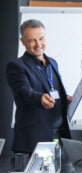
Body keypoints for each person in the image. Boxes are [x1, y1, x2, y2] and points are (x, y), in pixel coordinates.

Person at [6, 19, 71, 154]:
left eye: (41, 38)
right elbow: (24, 91)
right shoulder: (16, 66)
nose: (38, 44)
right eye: (32, 40)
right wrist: (40, 98)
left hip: (58, 136)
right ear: (22, 41)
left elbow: (52, 90)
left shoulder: (53, 63)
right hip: (33, 141)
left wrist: (65, 99)